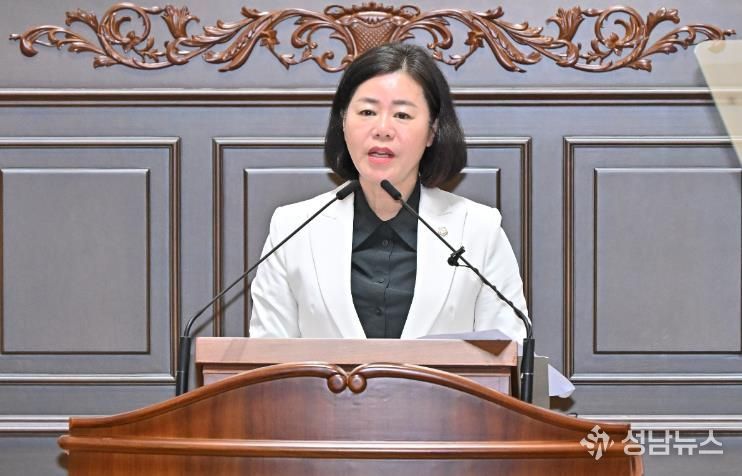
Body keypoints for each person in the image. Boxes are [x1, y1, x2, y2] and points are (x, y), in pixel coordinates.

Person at [249, 42, 527, 340]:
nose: (382, 129)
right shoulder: (292, 229)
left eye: (402, 115)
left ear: (432, 131)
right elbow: (267, 356)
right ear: (343, 122)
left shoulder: (478, 230)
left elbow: (510, 352)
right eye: (367, 111)